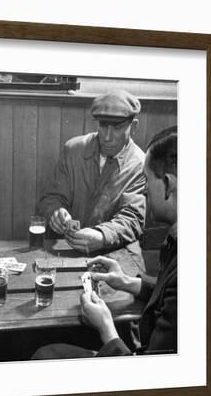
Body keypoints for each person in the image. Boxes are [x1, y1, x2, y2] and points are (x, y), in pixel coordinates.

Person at [33, 126, 177, 358]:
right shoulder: (179, 238)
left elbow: (154, 374)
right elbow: (168, 292)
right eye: (103, 125)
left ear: (169, 185)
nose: (146, 193)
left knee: (44, 355)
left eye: (147, 182)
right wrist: (130, 282)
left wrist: (107, 328)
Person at [36, 90, 146, 259]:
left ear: (134, 126)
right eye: (103, 126)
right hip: (67, 249)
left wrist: (102, 236)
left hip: (113, 253)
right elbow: (51, 198)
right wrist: (55, 213)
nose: (107, 137)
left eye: (117, 128)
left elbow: (132, 219)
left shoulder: (140, 164)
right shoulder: (73, 150)